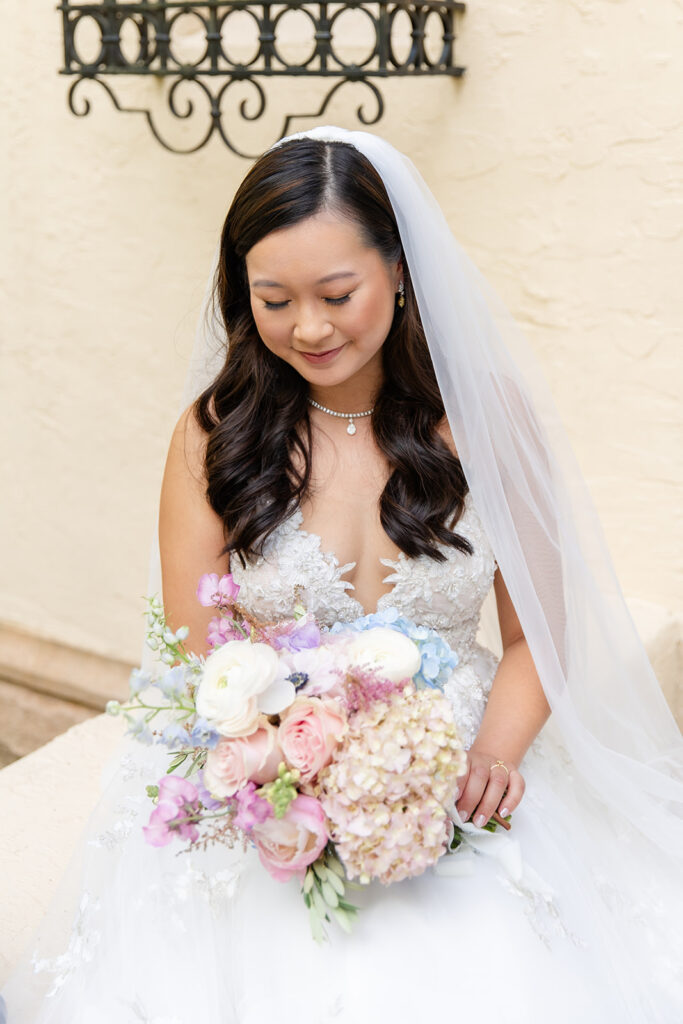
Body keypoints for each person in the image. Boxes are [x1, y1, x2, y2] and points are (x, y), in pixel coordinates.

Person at [2, 125, 682, 1022]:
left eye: (336, 293)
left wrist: (489, 762)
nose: (308, 328)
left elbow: (535, 637)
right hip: (269, 769)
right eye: (273, 299)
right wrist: (285, 769)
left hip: (461, 751)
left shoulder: (480, 418)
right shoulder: (214, 434)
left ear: (399, 270)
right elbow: (193, 653)